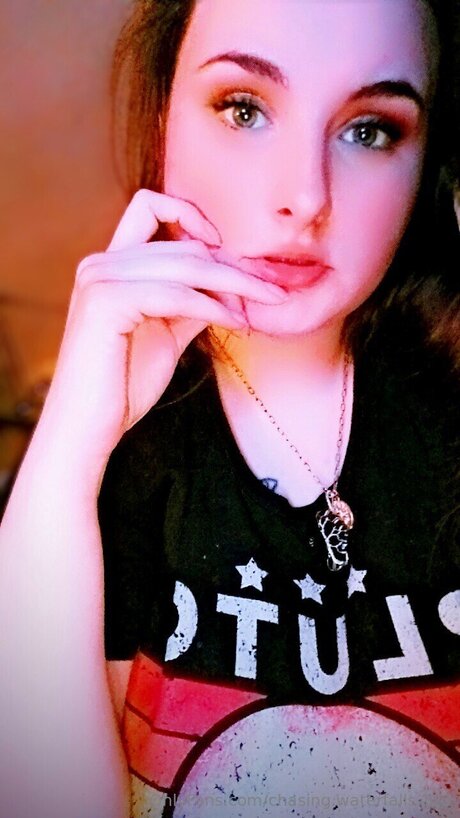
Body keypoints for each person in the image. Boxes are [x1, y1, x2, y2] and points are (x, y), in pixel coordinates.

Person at [0, 0, 459, 816]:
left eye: (370, 129)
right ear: (164, 121)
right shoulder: (116, 467)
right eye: (244, 108)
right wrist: (67, 456)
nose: (304, 197)